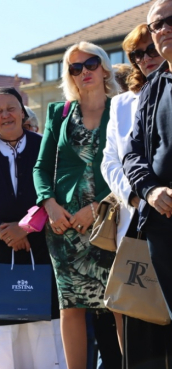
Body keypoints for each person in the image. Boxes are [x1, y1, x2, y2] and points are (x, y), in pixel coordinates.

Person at [0, 86, 65, 369]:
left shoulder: (45, 147)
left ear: (22, 111)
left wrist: (26, 229)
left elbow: (58, 194)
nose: (5, 115)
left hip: (40, 251)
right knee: (1, 342)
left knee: (43, 335)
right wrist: (4, 231)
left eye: (11, 108)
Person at [33, 42, 120, 369]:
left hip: (109, 221)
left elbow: (126, 167)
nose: (84, 71)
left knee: (119, 305)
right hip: (64, 225)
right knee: (71, 308)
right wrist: (49, 203)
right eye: (75, 67)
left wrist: (98, 206)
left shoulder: (122, 109)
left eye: (91, 63)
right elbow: (41, 167)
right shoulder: (60, 112)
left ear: (104, 67)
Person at [124, 0, 172, 351]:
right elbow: (131, 152)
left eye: (170, 21)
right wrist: (151, 190)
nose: (163, 29)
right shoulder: (154, 87)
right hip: (161, 222)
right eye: (157, 25)